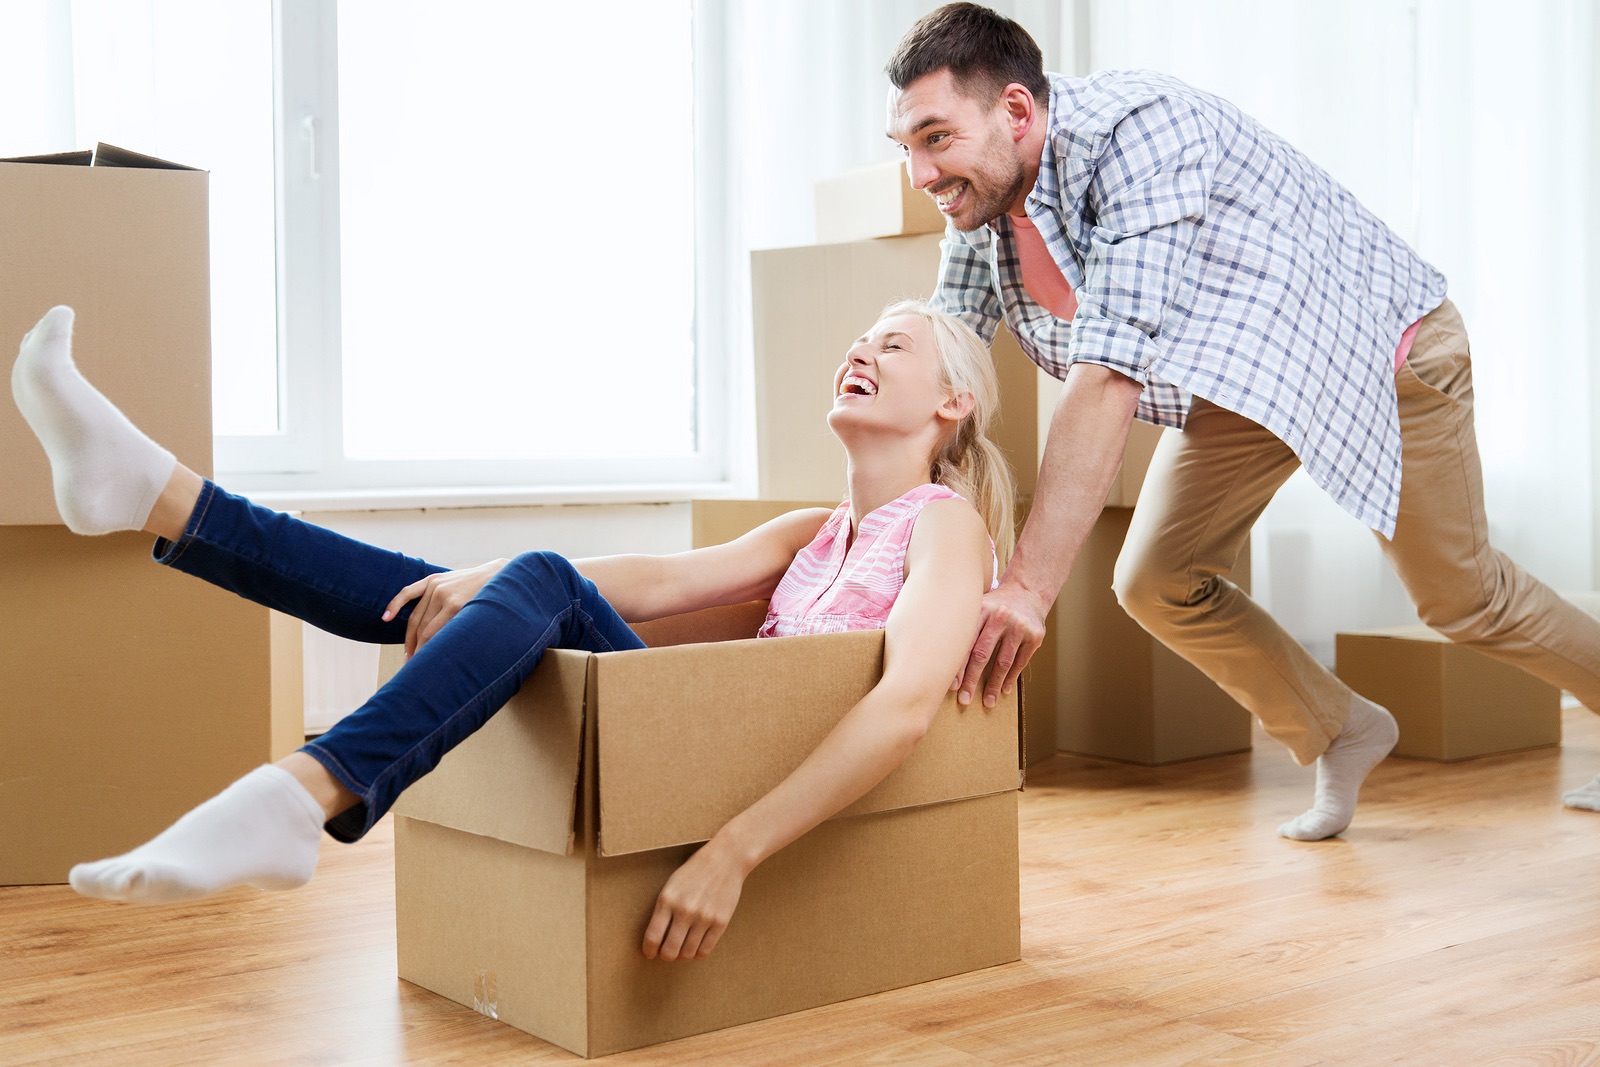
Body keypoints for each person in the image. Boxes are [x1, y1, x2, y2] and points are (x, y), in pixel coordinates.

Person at [11, 297, 1014, 961]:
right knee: (471, 590)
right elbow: (660, 577)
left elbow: (903, 707)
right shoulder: (813, 527)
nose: (859, 350)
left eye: (892, 344)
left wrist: (732, 851)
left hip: (725, 781)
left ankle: (303, 780)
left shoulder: (945, 526)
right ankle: (161, 496)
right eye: (858, 338)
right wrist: (476, 578)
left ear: (952, 402)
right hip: (693, 736)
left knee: (528, 580)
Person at [884, 3, 1600, 839]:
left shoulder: (1141, 130)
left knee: (1463, 598)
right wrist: (878, 527)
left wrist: (1028, 589)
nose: (920, 172)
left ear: (1014, 110)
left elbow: (1107, 373)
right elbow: (950, 359)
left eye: (935, 137)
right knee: (1156, 579)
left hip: (1383, 349)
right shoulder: (984, 203)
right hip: (1251, 377)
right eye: (904, 146)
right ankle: (1341, 727)